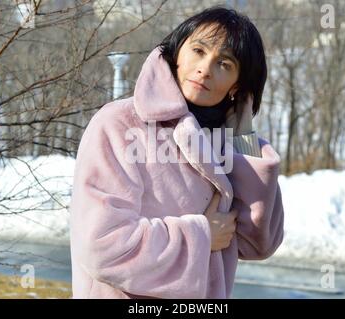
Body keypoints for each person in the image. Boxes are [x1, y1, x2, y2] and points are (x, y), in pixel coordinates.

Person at [69, 6, 284, 299]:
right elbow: (102, 246)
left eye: (224, 63)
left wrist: (244, 138)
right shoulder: (120, 123)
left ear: (237, 84)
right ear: (177, 51)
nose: (205, 68)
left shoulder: (226, 140)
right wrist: (200, 236)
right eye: (198, 50)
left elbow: (259, 244)